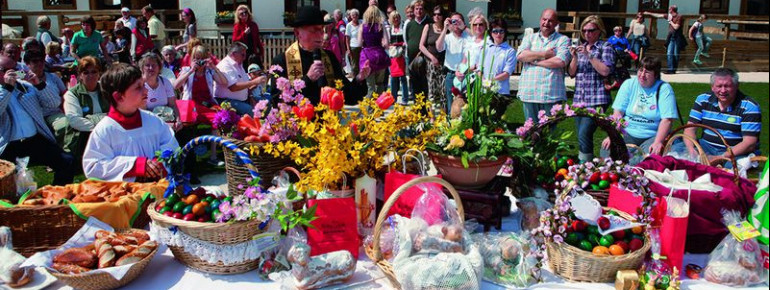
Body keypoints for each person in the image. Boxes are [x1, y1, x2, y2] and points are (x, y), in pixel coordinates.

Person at [82, 63, 178, 182]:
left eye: (144, 85)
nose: (146, 91)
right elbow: (93, 167)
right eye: (139, 87)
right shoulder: (105, 130)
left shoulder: (153, 121)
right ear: (118, 97)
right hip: (124, 197)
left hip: (159, 193)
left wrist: (160, 162)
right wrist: (134, 165)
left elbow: (172, 146)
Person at [271, 6, 370, 105]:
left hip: (328, 118)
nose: (320, 34)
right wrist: (308, 79)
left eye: (322, 29)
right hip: (297, 119)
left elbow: (348, 97)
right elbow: (277, 101)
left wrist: (359, 79)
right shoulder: (281, 61)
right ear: (297, 33)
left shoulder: (329, 57)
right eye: (314, 30)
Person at [0, 55, 75, 185]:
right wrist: (7, 88)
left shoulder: (25, 86)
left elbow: (54, 102)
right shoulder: (4, 90)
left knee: (67, 161)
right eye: (6, 70)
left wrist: (39, 84)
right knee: (7, 181)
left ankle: (56, 195)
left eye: (14, 69)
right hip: (8, 145)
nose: (12, 73)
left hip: (34, 140)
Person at [601, 56, 677, 160]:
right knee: (607, 150)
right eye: (641, 70)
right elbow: (618, 113)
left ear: (655, 74)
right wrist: (613, 135)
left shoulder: (664, 89)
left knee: (644, 158)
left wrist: (658, 142)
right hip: (628, 131)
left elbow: (667, 120)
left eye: (647, 72)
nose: (642, 75)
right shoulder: (629, 84)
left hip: (652, 134)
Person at [682, 68, 761, 165]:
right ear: (712, 87)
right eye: (719, 86)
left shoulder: (749, 106)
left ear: (737, 86)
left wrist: (720, 157)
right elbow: (690, 129)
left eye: (727, 86)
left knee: (732, 170)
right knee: (677, 151)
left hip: (736, 152)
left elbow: (749, 143)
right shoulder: (703, 99)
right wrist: (691, 150)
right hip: (706, 146)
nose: (723, 90)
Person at [568, 15, 615, 162]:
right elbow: (571, 73)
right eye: (584, 30)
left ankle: (585, 163)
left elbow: (606, 71)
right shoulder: (581, 47)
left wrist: (589, 55)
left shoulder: (605, 47)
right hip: (580, 99)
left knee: (584, 133)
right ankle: (587, 163)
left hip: (597, 98)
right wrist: (575, 57)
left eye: (591, 30)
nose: (587, 33)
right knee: (581, 135)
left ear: (599, 30)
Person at [173, 45, 227, 169]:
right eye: (197, 59)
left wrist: (214, 67)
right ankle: (191, 157)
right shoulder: (187, 70)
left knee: (220, 118)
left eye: (202, 58)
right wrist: (192, 70)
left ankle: (213, 156)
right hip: (191, 106)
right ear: (192, 59)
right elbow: (175, 86)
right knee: (191, 124)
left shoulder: (209, 71)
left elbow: (224, 82)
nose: (200, 62)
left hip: (207, 105)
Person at [516, 8, 570, 122]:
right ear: (540, 20)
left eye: (550, 21)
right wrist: (544, 54)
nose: (546, 23)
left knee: (549, 134)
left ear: (556, 23)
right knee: (530, 132)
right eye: (544, 19)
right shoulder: (529, 38)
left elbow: (560, 61)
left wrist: (534, 61)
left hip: (551, 95)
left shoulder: (563, 40)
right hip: (529, 93)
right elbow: (521, 56)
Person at [63, 56, 110, 161]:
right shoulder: (71, 94)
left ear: (99, 74)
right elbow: (74, 120)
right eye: (86, 72)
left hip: (106, 135)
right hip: (82, 137)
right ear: (80, 75)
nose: (90, 75)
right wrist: (101, 127)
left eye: (94, 72)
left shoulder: (106, 90)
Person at [22, 50, 69, 146]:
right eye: (35, 61)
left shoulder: (53, 77)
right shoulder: (22, 82)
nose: (39, 63)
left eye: (41, 61)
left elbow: (65, 94)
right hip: (35, 116)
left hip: (54, 112)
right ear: (27, 64)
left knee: (66, 125)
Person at [215, 42, 266, 115]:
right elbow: (233, 87)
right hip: (226, 101)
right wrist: (254, 82)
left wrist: (251, 97)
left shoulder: (239, 65)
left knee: (265, 105)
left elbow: (245, 85)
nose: (245, 58)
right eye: (242, 55)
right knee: (250, 111)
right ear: (234, 54)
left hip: (241, 100)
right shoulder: (226, 65)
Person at [436, 12, 470, 113]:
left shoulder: (468, 37)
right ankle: (452, 126)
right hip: (451, 75)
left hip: (465, 75)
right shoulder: (447, 37)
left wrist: (464, 27)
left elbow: (477, 38)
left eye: (458, 21)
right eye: (453, 21)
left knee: (466, 104)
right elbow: (438, 47)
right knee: (451, 106)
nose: (456, 24)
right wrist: (445, 28)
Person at [476, 18, 517, 97]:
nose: (498, 34)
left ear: (505, 33)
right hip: (484, 91)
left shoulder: (510, 51)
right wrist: (483, 81)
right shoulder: (485, 49)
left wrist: (490, 81)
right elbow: (479, 69)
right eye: (495, 31)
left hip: (501, 92)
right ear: (491, 33)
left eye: (501, 31)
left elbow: (506, 73)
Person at [140, 53, 180, 130]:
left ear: (159, 68)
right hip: (146, 124)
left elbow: (173, 105)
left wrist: (178, 120)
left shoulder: (165, 82)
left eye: (154, 65)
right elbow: (141, 111)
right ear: (142, 68)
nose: (151, 68)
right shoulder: (139, 85)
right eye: (147, 65)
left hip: (166, 122)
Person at [359, 5, 390, 98]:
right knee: (380, 84)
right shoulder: (381, 26)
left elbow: (359, 43)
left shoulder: (362, 26)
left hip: (368, 56)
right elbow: (386, 43)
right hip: (380, 55)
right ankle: (379, 109)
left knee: (370, 86)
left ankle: (370, 109)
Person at [420, 5, 447, 111]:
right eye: (434, 14)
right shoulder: (428, 26)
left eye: (439, 14)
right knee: (431, 91)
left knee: (443, 91)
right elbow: (421, 46)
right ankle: (432, 118)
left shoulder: (447, 29)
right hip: (431, 64)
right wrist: (432, 57)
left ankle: (443, 116)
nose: (436, 16)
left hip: (444, 63)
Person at [645, 5, 685, 74]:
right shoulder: (669, 15)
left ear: (672, 10)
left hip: (678, 38)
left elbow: (676, 27)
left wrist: (670, 21)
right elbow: (658, 15)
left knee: (676, 54)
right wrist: (649, 13)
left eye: (670, 9)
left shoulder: (679, 17)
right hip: (671, 37)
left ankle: (674, 69)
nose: (668, 9)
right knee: (669, 53)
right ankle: (670, 69)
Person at [405, 1, 430, 100]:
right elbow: (408, 39)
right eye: (416, 9)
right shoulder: (410, 24)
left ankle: (425, 109)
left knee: (424, 86)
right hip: (412, 60)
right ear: (414, 10)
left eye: (421, 9)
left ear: (424, 10)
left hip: (424, 60)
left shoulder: (429, 23)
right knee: (415, 85)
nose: (418, 11)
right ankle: (417, 110)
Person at [388, 11, 409, 105]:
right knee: (393, 78)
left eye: (397, 17)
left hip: (402, 55)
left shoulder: (403, 27)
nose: (396, 19)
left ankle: (405, 99)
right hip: (393, 56)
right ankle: (393, 98)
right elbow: (387, 42)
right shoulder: (389, 29)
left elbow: (406, 40)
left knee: (403, 78)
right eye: (394, 18)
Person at [346, 9, 363, 78]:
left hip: (362, 46)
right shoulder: (349, 25)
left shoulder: (362, 23)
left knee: (362, 64)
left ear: (358, 15)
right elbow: (347, 38)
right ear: (350, 16)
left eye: (356, 15)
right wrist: (348, 49)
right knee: (354, 65)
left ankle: (362, 80)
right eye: (352, 15)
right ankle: (355, 82)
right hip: (353, 47)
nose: (354, 16)